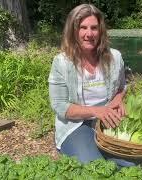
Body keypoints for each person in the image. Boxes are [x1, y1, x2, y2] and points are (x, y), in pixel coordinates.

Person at [48, 4, 135, 167]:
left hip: (108, 122)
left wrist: (118, 99)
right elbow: (60, 106)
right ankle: (76, 147)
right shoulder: (62, 62)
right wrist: (96, 111)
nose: (89, 34)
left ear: (100, 30)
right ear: (73, 31)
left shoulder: (115, 57)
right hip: (75, 125)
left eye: (94, 28)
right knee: (94, 168)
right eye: (83, 27)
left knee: (130, 167)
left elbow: (122, 86)